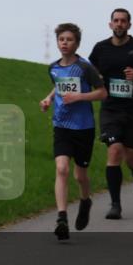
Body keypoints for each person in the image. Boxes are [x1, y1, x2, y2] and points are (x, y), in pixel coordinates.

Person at [87, 8, 133, 219]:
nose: (119, 24)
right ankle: (115, 204)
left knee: (131, 155)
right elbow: (91, 70)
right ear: (110, 24)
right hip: (110, 108)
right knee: (115, 150)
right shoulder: (101, 48)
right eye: (115, 21)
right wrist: (96, 78)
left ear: (129, 25)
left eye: (123, 21)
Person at [40, 24, 107, 240]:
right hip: (61, 125)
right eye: (61, 39)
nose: (64, 43)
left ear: (77, 43)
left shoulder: (85, 67)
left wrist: (79, 97)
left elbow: (102, 93)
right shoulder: (53, 68)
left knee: (80, 175)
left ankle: (85, 201)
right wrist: (49, 98)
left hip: (83, 127)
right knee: (61, 169)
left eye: (69, 39)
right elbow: (59, 85)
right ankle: (62, 218)